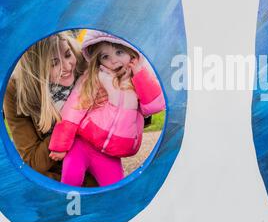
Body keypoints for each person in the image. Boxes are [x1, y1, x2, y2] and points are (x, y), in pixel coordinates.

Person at [48, 31, 165, 187]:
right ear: (98, 60)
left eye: (119, 52)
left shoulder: (138, 79)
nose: (113, 61)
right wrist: (60, 145)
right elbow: (74, 109)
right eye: (105, 56)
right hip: (82, 144)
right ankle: (64, 209)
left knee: (116, 192)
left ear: (131, 52)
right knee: (70, 182)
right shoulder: (95, 77)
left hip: (110, 155)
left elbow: (154, 106)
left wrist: (140, 74)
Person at [3, 31, 100, 185]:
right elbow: (33, 160)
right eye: (54, 63)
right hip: (56, 180)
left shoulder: (84, 62)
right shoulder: (17, 91)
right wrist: (67, 127)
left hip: (96, 168)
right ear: (37, 69)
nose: (68, 66)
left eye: (68, 54)